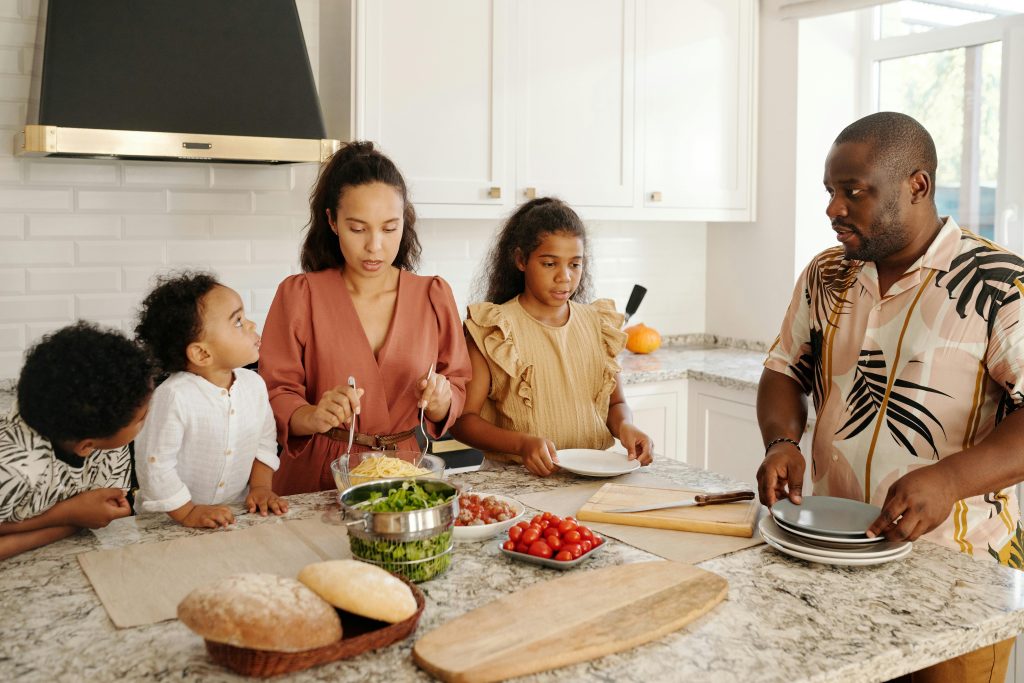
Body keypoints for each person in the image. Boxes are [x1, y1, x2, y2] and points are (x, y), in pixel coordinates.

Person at [757, 112, 1024, 682]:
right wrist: (781, 441)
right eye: (830, 192)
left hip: (953, 579)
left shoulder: (1000, 282)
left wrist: (950, 479)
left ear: (917, 186)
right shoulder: (827, 273)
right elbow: (784, 369)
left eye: (852, 191)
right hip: (828, 554)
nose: (833, 208)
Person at [259, 141, 471, 495]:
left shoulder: (433, 295)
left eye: (390, 229)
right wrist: (311, 414)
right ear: (332, 221)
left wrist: (441, 402)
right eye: (358, 229)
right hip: (316, 478)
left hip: (404, 476)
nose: (375, 246)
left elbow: (458, 383)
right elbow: (274, 391)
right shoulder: (299, 295)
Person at [449, 197, 653, 476]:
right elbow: (462, 421)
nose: (565, 277)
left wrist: (626, 426)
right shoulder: (493, 329)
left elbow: (615, 404)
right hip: (517, 481)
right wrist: (521, 443)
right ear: (521, 260)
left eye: (575, 265)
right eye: (549, 264)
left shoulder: (598, 324)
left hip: (593, 476)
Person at [134, 272, 286, 528]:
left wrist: (260, 487)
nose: (250, 325)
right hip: (168, 524)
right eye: (237, 321)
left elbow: (264, 443)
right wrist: (187, 512)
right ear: (202, 353)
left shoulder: (254, 385)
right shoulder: (173, 397)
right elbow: (155, 467)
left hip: (230, 516)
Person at [0, 322, 154, 560]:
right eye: (142, 418)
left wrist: (79, 518)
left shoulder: (105, 436)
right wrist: (68, 516)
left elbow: (100, 510)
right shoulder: (15, 469)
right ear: (86, 446)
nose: (148, 417)